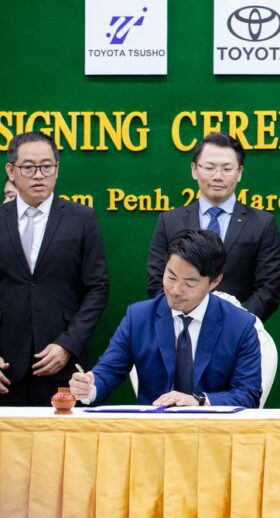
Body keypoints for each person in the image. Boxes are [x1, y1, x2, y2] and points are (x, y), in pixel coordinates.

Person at [70, 229, 261, 407]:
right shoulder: (138, 317)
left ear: (215, 281)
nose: (176, 290)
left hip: (213, 429)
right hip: (153, 427)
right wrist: (89, 388)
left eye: (189, 283)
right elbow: (108, 371)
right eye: (171, 277)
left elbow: (248, 394)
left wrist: (198, 400)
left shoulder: (240, 325)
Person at [0, 131, 108, 405]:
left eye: (47, 166)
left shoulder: (81, 218)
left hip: (62, 366)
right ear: (11, 171)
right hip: (6, 368)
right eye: (28, 167)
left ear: (57, 170)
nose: (39, 175)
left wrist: (68, 344)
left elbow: (97, 289)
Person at [147, 132, 280, 321]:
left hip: (238, 331)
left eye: (227, 169)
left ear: (239, 172)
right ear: (194, 170)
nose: (217, 176)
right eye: (209, 167)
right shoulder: (169, 221)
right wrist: (184, 319)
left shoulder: (263, 223)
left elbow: (268, 289)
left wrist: (234, 324)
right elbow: (156, 282)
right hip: (179, 327)